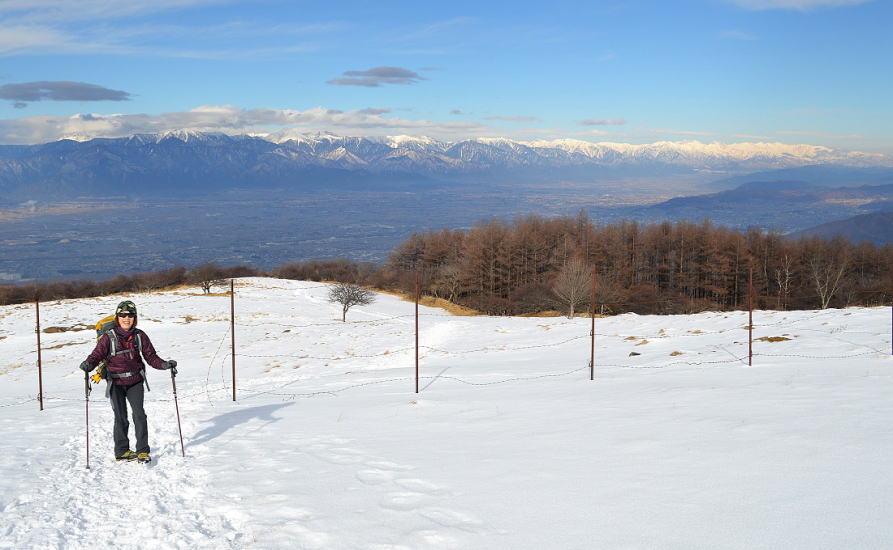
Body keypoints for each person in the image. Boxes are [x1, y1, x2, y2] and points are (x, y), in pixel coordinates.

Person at [79, 300, 177, 463]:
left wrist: (164, 365)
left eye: (130, 315)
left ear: (135, 318)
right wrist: (89, 364)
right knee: (120, 417)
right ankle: (122, 451)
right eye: (123, 315)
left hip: (135, 381)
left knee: (139, 415)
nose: (127, 318)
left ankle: (142, 451)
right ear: (117, 317)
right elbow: (97, 354)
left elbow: (151, 357)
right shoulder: (108, 337)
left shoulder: (140, 336)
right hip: (115, 382)